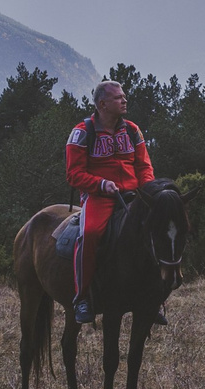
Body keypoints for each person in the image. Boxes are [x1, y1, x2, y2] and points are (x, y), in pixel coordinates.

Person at [65, 79, 155, 325]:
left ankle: (154, 298)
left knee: (154, 231)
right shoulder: (82, 133)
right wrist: (101, 184)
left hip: (134, 193)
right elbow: (73, 174)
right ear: (103, 104)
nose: (124, 100)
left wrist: (148, 189)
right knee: (91, 233)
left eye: (124, 96)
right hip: (99, 196)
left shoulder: (133, 130)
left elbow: (144, 165)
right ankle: (82, 297)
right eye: (118, 98)